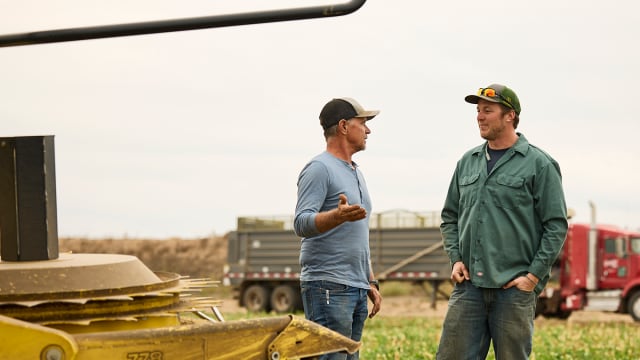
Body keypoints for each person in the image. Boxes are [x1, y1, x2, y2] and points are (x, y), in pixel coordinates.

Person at [436, 84, 569, 359]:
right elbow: (450, 217)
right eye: (478, 111)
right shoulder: (467, 162)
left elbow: (556, 225)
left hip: (513, 292)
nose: (480, 117)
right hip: (469, 288)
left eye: (488, 110)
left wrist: (532, 277)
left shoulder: (539, 164)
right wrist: (456, 259)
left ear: (510, 116)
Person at [294, 97, 383, 360]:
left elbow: (358, 234)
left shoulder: (356, 171)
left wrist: (370, 281)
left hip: (354, 286)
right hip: (328, 286)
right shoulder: (319, 169)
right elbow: (301, 222)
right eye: (363, 123)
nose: (368, 130)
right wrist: (336, 216)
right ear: (344, 126)